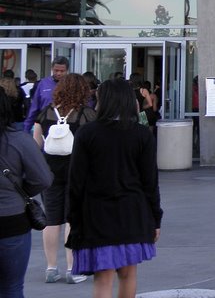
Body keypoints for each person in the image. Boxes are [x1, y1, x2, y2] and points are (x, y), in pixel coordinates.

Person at [66, 80, 162, 298]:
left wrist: (73, 217)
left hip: (97, 214)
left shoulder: (87, 133)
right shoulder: (142, 134)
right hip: (133, 211)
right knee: (128, 273)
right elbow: (150, 182)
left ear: (104, 101)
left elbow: (76, 181)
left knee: (103, 278)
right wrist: (155, 218)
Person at [32, 73, 97, 284]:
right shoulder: (87, 114)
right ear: (83, 91)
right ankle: (73, 268)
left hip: (50, 172)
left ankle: (51, 268)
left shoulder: (46, 112)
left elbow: (37, 144)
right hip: (77, 171)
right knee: (73, 219)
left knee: (51, 221)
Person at [0, 90, 53, 298]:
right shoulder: (19, 141)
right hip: (12, 221)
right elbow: (44, 178)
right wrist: (22, 191)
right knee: (12, 287)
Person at [23, 57, 69, 133]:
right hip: (45, 125)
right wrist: (26, 129)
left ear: (67, 70)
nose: (59, 73)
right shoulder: (43, 84)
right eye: (56, 70)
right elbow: (34, 107)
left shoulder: (72, 85)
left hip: (66, 125)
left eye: (62, 71)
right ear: (52, 69)